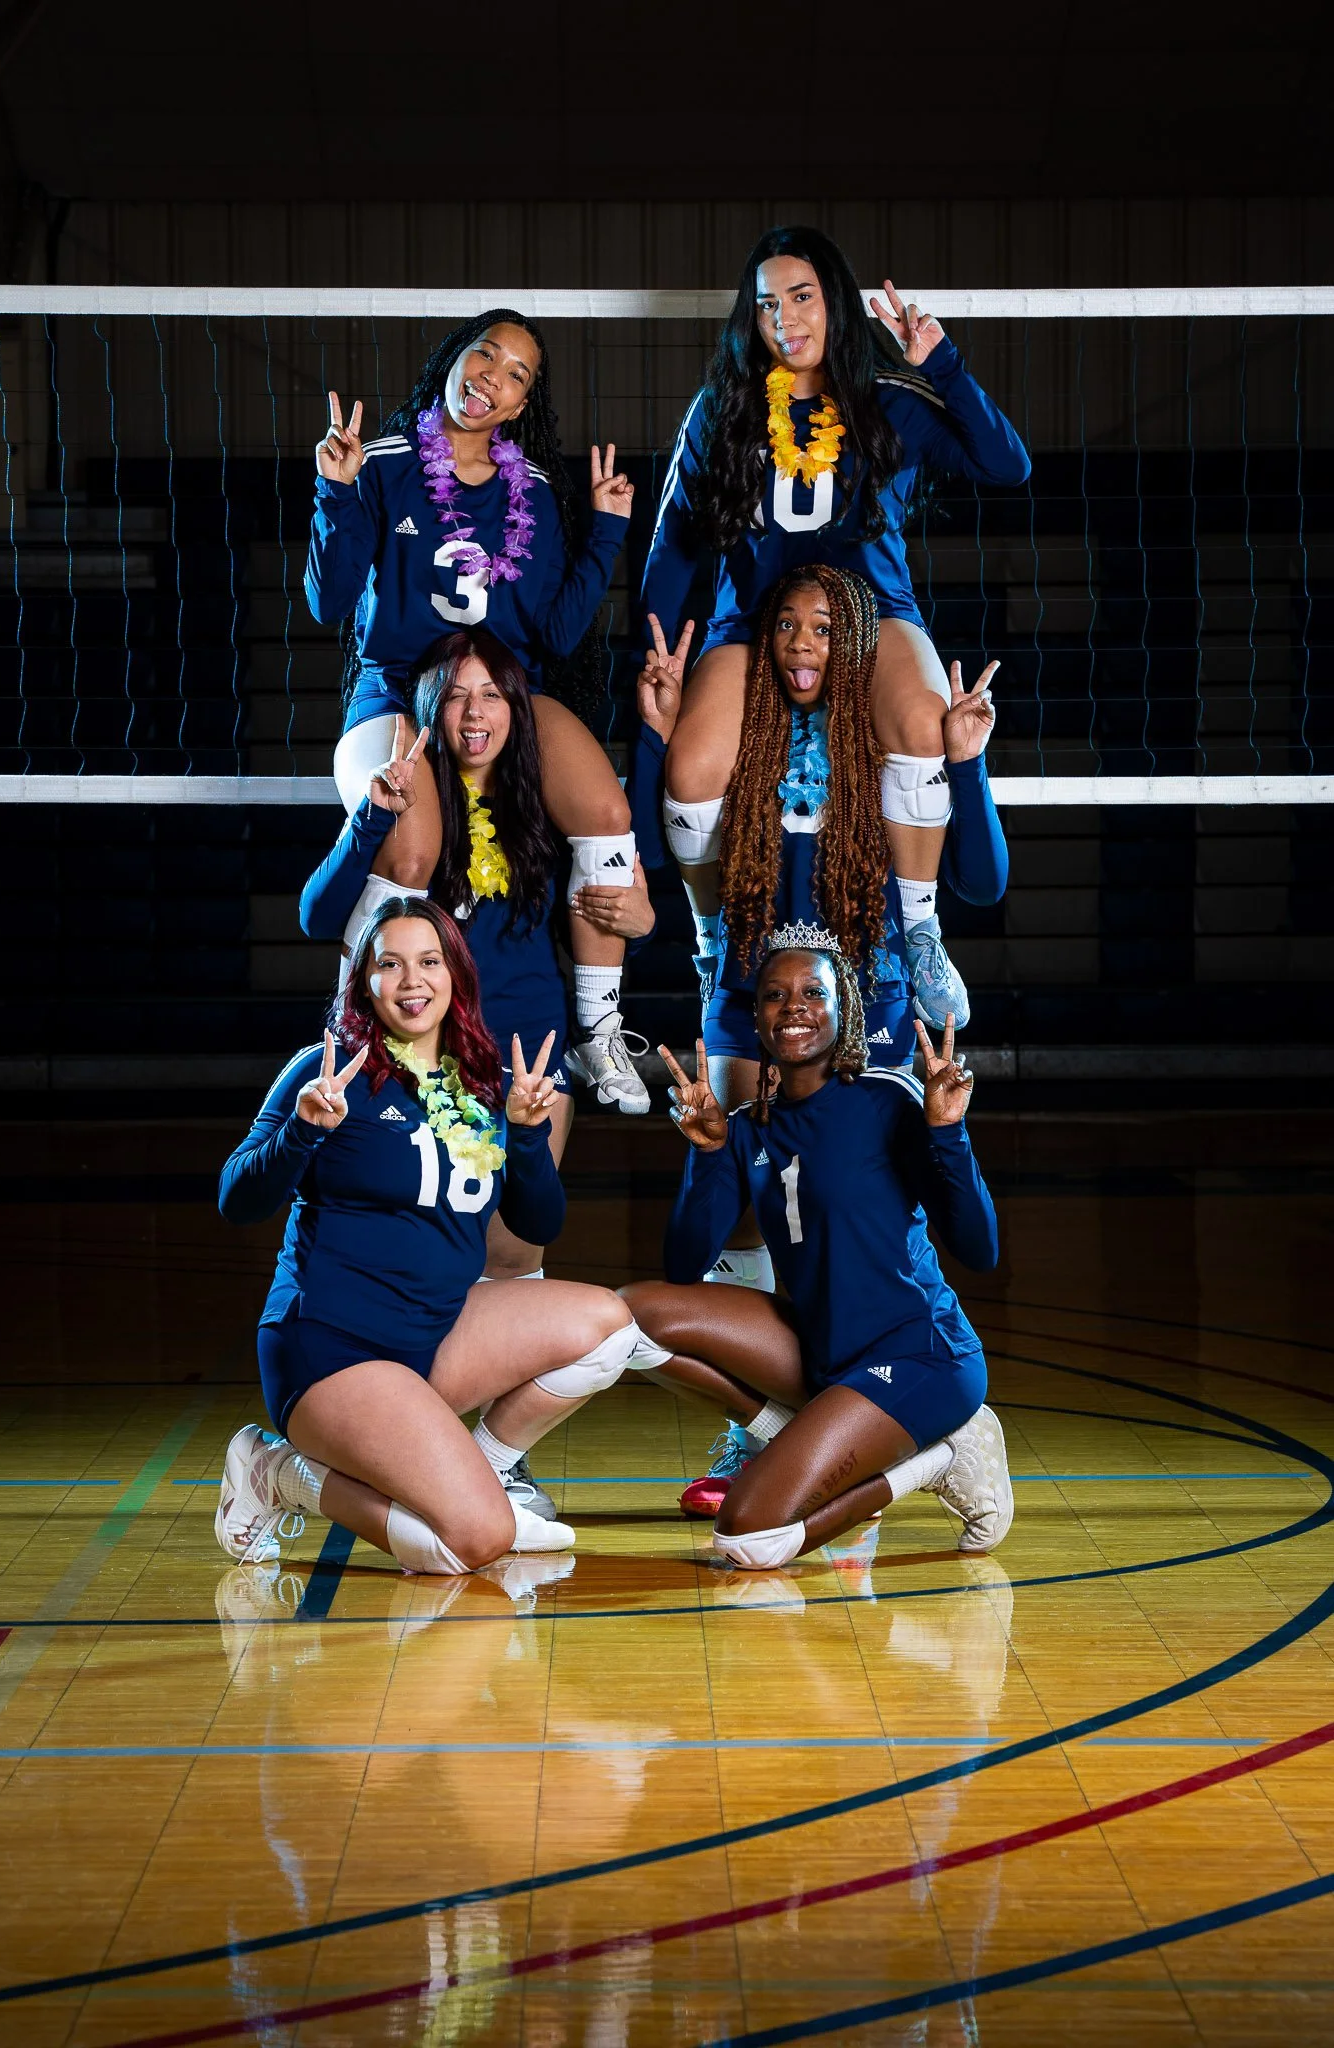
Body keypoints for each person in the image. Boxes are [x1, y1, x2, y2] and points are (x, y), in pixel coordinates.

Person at [633, 565, 1007, 1510]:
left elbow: (985, 878)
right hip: (749, 991)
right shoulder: (740, 752)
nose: (803, 644)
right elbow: (654, 844)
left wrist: (965, 758)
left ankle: (911, 1397)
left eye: (824, 630)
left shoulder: (883, 760)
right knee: (748, 1199)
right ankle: (759, 1426)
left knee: (861, 1198)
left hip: (864, 996)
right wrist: (656, 733)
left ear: (854, 650)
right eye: (786, 627)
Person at [641, 224, 1029, 1029]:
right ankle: (715, 942)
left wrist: (940, 363)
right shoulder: (724, 407)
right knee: (690, 771)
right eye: (765, 304)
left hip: (871, 613)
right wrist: (661, 648)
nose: (783, 317)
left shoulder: (885, 397)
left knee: (924, 722)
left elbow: (1007, 465)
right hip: (750, 621)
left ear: (836, 303)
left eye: (801, 296)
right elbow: (676, 542)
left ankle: (919, 929)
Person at [215, 897, 669, 1579]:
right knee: (471, 1545)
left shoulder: (481, 1087)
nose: (411, 980)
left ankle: (481, 1476)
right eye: (389, 964)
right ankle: (278, 1472)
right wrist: (303, 1131)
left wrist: (524, 1136)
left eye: (428, 961)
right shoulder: (328, 1070)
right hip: (332, 1351)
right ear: (362, 982)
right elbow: (236, 1199)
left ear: (456, 974)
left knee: (607, 1324)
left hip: (433, 1337)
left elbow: (539, 1225)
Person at [305, 309, 649, 1109]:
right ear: (453, 363)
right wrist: (337, 490)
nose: (493, 374)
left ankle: (597, 1031)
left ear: (520, 404)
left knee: (604, 808)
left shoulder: (528, 489)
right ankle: (358, 1026)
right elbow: (328, 603)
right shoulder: (383, 461)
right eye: (483, 353)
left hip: (498, 696)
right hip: (398, 691)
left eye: (516, 372)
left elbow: (555, 633)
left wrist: (605, 532)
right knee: (411, 854)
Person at [621, 932, 1013, 1568]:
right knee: (633, 1316)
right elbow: (683, 1267)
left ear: (845, 1009)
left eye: (813, 992)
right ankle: (811, 1436)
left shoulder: (888, 1099)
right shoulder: (749, 1125)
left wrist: (949, 1133)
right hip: (820, 1348)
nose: (793, 1006)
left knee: (746, 1533)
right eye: (775, 995)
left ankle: (939, 1460)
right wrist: (709, 1153)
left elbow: (980, 1248)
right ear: (756, 1018)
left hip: (916, 1356)